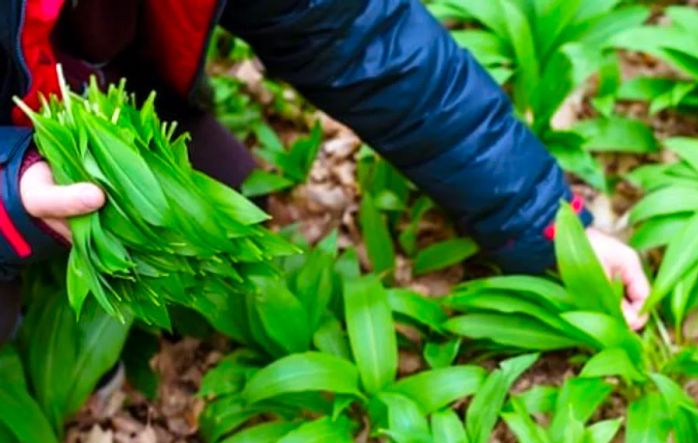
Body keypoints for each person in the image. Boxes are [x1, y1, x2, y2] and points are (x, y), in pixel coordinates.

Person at [0, 0, 648, 344]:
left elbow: (364, 39)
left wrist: (546, 225)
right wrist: (11, 192)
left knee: (217, 195)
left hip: (92, 83)